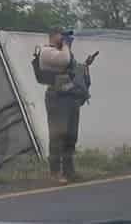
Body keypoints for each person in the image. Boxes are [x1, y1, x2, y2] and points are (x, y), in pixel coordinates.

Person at [38, 28, 95, 184]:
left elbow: (72, 68)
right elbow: (64, 60)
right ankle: (55, 172)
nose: (64, 38)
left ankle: (69, 171)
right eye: (61, 35)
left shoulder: (63, 52)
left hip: (69, 97)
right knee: (57, 135)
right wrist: (66, 45)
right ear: (53, 36)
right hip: (56, 98)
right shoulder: (46, 51)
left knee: (71, 136)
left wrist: (86, 65)